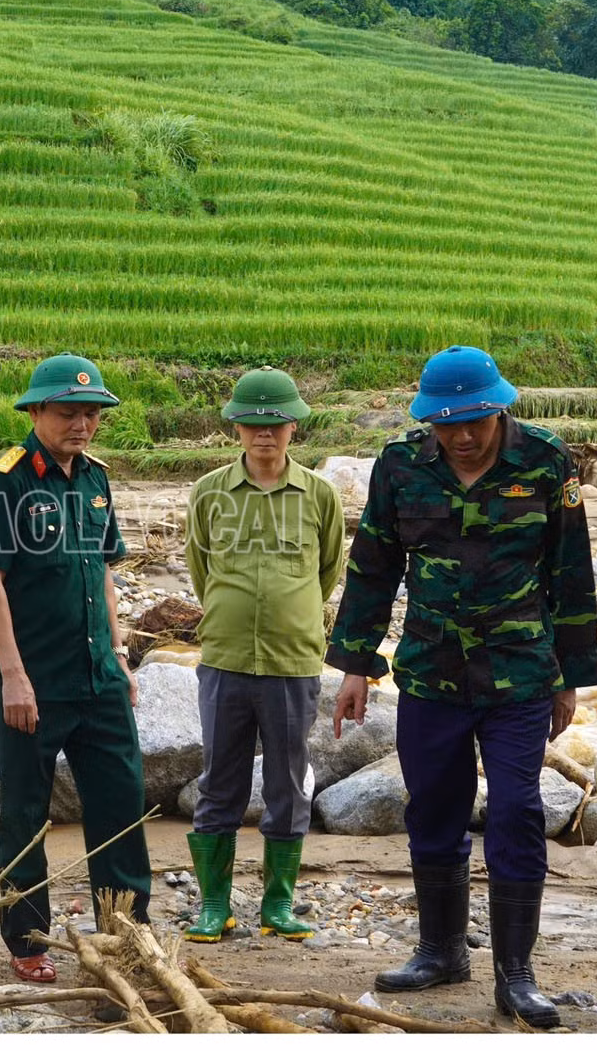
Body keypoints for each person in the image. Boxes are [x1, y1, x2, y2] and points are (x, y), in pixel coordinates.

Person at [329, 345, 597, 1029]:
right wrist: (356, 663)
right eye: (447, 424)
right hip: (431, 671)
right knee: (433, 809)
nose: (463, 436)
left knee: (516, 811)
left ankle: (516, 972)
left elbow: (571, 572)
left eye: (475, 421)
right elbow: (373, 566)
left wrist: (572, 677)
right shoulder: (400, 464)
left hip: (520, 674)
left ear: (499, 409)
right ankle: (441, 951)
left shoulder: (545, 460)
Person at [0, 353, 152, 984]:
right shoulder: (4, 483)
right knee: (24, 814)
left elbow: (103, 574)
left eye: (92, 413)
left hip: (98, 677)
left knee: (121, 805)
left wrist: (120, 656)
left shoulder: (96, 479)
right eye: (68, 412)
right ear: (36, 411)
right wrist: (13, 676)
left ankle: (125, 934)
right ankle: (27, 943)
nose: (82, 424)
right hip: (33, 681)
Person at [181, 367, 344, 943]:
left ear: (294, 426)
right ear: (236, 428)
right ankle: (213, 906)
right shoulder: (209, 493)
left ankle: (278, 905)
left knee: (288, 783)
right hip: (224, 660)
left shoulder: (319, 495)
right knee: (218, 783)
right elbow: (201, 570)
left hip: (292, 663)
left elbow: (327, 571)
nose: (264, 434)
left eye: (275, 423)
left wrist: (290, 613)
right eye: (252, 423)